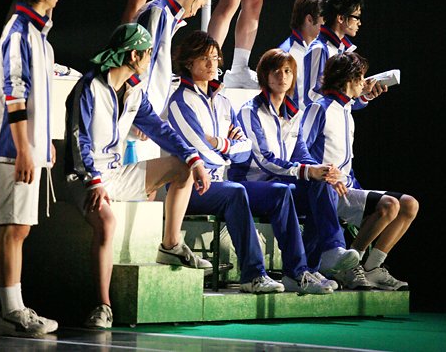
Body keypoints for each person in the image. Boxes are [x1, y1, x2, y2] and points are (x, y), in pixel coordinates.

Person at [64, 23, 212, 328]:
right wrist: (93, 181)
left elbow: (159, 128)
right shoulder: (89, 86)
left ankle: (170, 245)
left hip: (116, 173)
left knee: (182, 167)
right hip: (83, 178)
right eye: (147, 54)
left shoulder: (134, 91)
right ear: (133, 55)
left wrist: (193, 157)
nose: (149, 60)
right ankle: (103, 306)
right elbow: (79, 139)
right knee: (107, 222)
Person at [167, 31, 334, 295]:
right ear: (188, 62)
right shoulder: (180, 101)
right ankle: (253, 275)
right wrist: (226, 147)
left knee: (293, 191)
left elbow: (244, 150)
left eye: (215, 58)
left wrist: (220, 144)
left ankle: (300, 271)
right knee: (236, 191)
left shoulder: (222, 101)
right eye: (204, 58)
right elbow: (197, 150)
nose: (212, 64)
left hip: (219, 181)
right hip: (191, 185)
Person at [229, 48, 360, 282]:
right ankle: (296, 271)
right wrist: (307, 171)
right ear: (265, 76)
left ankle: (318, 261)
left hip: (280, 182)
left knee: (321, 185)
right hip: (251, 183)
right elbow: (264, 160)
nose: (282, 76)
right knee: (287, 189)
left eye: (288, 71)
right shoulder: (250, 111)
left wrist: (325, 172)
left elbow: (302, 154)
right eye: (276, 71)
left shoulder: (294, 114)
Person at [0, 0, 63, 337]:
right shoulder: (18, 32)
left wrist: (43, 142)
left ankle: (11, 310)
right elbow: (14, 94)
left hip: (26, 147)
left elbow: (36, 97)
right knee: (14, 227)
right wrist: (22, 149)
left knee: (17, 227)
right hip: (13, 148)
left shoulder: (35, 34)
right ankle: (12, 312)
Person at [302, 52, 418, 290]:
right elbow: (300, 148)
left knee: (409, 205)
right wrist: (324, 174)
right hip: (324, 190)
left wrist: (364, 97)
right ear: (349, 79)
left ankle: (372, 268)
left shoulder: (345, 109)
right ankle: (349, 267)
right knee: (389, 206)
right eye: (361, 77)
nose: (364, 82)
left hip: (347, 187)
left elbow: (354, 104)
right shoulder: (319, 108)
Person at [131, 0, 212, 161]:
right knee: (137, 173)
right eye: (199, 6)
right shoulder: (157, 12)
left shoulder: (166, 15)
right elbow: (141, 65)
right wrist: (141, 114)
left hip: (149, 113)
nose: (195, 12)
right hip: (141, 113)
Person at [302, 0, 385, 111]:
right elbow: (311, 98)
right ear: (340, 18)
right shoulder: (320, 49)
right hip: (325, 123)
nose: (359, 23)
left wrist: (363, 94)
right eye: (356, 17)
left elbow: (344, 104)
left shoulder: (343, 50)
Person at [278, 0, 324, 107]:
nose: (328, 24)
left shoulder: (322, 49)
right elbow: (278, 100)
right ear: (309, 19)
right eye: (324, 18)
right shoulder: (286, 53)